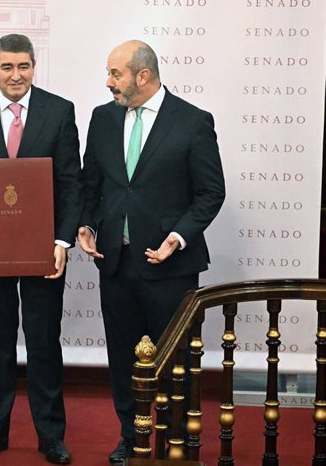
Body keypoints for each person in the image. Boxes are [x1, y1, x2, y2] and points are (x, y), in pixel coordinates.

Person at [78, 40, 225, 465]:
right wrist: (86, 226)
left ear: (143, 75)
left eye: (115, 74)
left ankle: (176, 440)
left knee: (174, 363)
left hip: (171, 269)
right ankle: (132, 436)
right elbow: (93, 185)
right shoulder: (102, 118)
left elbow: (210, 192)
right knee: (123, 357)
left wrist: (177, 237)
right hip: (116, 264)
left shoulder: (193, 122)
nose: (108, 83)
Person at [0, 34, 81, 465]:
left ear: (33, 66)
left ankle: (51, 437)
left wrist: (63, 242)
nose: (16, 75)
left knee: (44, 343)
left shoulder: (60, 112)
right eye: (7, 67)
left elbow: (70, 184)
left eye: (23, 66)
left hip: (44, 251)